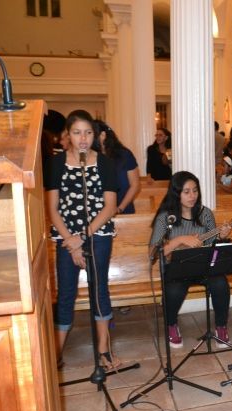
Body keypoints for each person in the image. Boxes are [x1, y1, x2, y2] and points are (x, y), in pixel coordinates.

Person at [45, 109, 120, 370]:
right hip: (66, 237)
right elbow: (52, 208)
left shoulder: (104, 163)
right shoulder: (56, 163)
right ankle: (55, 353)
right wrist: (71, 241)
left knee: (99, 289)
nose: (83, 138)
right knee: (66, 293)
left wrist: (82, 237)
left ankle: (104, 350)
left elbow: (109, 207)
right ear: (68, 135)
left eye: (88, 132)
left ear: (94, 135)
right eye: (77, 133)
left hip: (97, 234)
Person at [149, 171, 232, 348]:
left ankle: (221, 326)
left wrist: (222, 236)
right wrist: (179, 240)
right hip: (176, 268)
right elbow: (152, 253)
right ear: (176, 193)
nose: (192, 196)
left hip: (203, 266)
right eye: (186, 192)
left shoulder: (205, 213)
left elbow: (212, 244)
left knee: (220, 283)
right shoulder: (166, 217)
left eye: (195, 191)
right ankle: (171, 324)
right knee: (174, 290)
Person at [94, 120, 140, 214]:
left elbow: (135, 185)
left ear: (102, 135)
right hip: (97, 212)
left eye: (90, 134)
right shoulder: (91, 156)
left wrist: (120, 208)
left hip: (123, 209)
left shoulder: (124, 155)